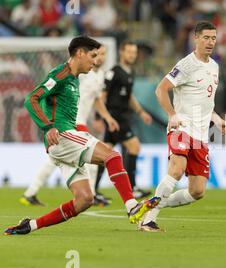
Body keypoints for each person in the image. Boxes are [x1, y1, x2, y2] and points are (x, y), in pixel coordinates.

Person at [5, 36, 159, 235]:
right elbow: (32, 98)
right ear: (79, 53)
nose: (95, 61)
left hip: (62, 142)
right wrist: (48, 126)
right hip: (62, 135)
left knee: (85, 199)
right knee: (113, 156)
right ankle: (132, 207)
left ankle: (30, 225)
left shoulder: (75, 78)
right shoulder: (61, 74)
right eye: (93, 56)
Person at [139, 21, 226, 232]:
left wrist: (216, 119)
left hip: (201, 135)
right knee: (177, 170)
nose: (210, 42)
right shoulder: (186, 65)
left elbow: (206, 102)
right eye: (206, 37)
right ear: (196, 38)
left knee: (197, 192)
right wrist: (172, 115)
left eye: (214, 38)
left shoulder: (214, 66)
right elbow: (161, 90)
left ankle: (150, 205)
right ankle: (148, 219)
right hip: (182, 127)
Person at [19, 45, 115, 207]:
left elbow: (97, 100)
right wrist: (49, 123)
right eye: (97, 54)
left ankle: (31, 192)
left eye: (104, 54)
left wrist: (106, 117)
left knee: (53, 160)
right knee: (97, 155)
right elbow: (39, 95)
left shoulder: (98, 76)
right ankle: (92, 193)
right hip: (72, 122)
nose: (100, 58)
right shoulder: (81, 73)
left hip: (80, 121)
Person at [94, 41, 153, 200]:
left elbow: (129, 97)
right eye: (129, 52)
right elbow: (102, 96)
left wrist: (141, 112)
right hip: (116, 118)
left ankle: (94, 190)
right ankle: (132, 187)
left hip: (121, 117)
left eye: (134, 53)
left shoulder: (129, 72)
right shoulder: (114, 72)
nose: (132, 55)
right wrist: (99, 117)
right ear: (122, 52)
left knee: (104, 153)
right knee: (134, 147)